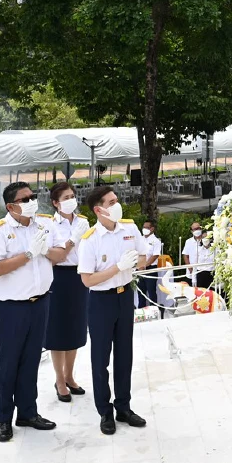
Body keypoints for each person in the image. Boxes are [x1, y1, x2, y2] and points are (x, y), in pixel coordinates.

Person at [0, 182, 58, 442]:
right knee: (8, 363)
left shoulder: (44, 224)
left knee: (31, 361)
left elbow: (58, 256)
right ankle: (4, 419)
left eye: (33, 196)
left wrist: (48, 249)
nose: (32, 201)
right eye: (25, 199)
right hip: (12, 307)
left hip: (40, 303)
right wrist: (27, 254)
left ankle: (28, 411)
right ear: (11, 206)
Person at [77, 185, 147, 435]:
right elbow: (87, 280)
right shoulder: (90, 240)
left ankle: (124, 407)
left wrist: (135, 263)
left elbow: (143, 256)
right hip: (100, 301)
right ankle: (105, 412)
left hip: (124, 296)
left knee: (125, 354)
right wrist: (117, 267)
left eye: (116, 200)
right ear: (99, 210)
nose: (117, 205)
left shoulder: (128, 228)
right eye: (111, 202)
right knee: (100, 359)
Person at [43, 181, 89, 403]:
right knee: (58, 330)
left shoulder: (84, 222)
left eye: (72, 195)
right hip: (59, 277)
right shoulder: (50, 225)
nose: (71, 200)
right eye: (65, 198)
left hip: (79, 276)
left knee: (76, 328)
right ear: (55, 203)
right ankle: (59, 379)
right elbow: (56, 256)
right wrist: (71, 241)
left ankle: (70, 376)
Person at [137, 218, 163, 311]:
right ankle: (141, 310)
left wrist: (145, 265)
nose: (144, 229)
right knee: (141, 291)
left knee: (151, 291)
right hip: (139, 269)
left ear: (152, 229)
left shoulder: (156, 241)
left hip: (150, 268)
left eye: (147, 227)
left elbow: (155, 255)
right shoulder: (140, 239)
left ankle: (154, 310)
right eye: (143, 227)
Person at [182, 221, 215, 289]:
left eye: (198, 228)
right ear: (192, 231)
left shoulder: (206, 240)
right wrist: (190, 269)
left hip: (205, 272)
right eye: (195, 229)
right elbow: (185, 256)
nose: (197, 230)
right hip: (191, 273)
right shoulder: (188, 242)